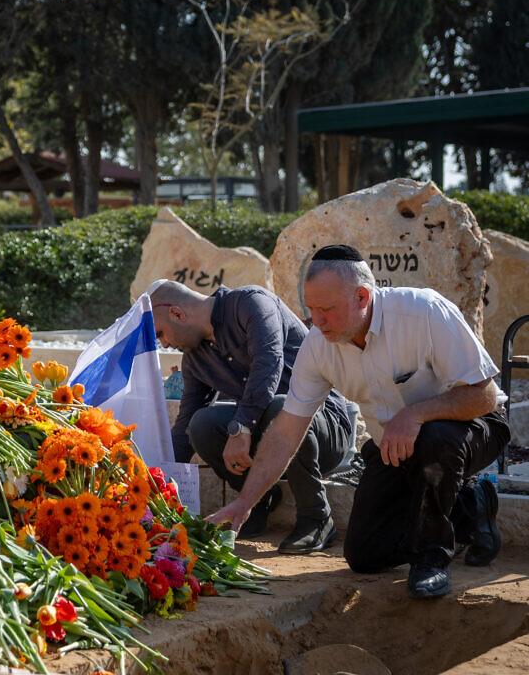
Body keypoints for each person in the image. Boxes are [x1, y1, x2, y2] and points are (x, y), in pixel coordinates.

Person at [209, 245, 507, 599]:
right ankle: (469, 508)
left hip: (472, 427)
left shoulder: (424, 311)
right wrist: (245, 502)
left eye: (327, 309)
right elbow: (286, 431)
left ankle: (431, 560)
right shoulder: (318, 345)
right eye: (311, 308)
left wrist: (414, 414)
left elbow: (484, 396)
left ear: (362, 296)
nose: (315, 321)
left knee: (435, 438)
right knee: (366, 554)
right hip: (396, 447)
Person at [149, 280, 354, 554]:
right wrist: (153, 483)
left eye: (161, 333)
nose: (164, 344)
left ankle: (316, 517)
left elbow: (268, 366)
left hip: (324, 430)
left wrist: (241, 427)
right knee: (201, 425)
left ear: (177, 313)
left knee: (282, 408)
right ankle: (258, 503)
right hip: (268, 439)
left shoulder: (251, 303)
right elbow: (184, 425)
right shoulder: (195, 359)